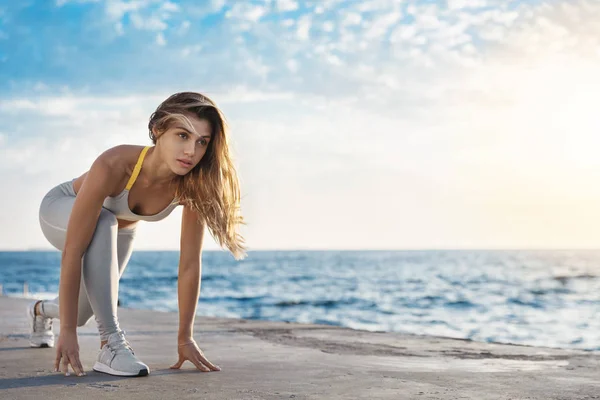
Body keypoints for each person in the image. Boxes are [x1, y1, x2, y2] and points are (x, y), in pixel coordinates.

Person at [29, 92, 247, 378]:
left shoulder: (192, 185)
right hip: (60, 210)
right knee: (104, 220)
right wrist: (67, 333)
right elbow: (73, 250)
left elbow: (190, 264)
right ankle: (111, 345)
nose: (191, 151)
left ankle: (40, 311)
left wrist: (185, 338)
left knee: (83, 312)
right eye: (182, 135)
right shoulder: (116, 164)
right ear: (158, 131)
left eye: (201, 142)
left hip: (114, 230)